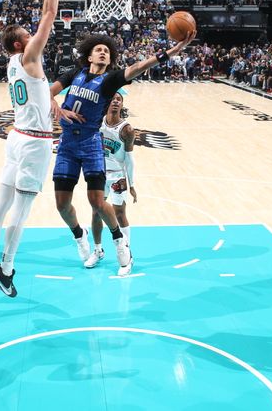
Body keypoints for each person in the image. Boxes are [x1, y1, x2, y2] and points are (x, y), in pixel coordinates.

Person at [49, 29, 196, 276]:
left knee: (96, 201)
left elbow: (141, 65)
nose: (103, 52)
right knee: (62, 205)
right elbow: (47, 92)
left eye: (107, 51)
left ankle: (120, 243)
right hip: (66, 146)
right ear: (89, 56)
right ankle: (79, 234)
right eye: (99, 50)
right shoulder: (75, 73)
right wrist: (56, 106)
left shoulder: (111, 79)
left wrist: (174, 51)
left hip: (90, 143)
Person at [0, 0, 58, 298]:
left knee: (1, 203)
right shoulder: (28, 56)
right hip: (35, 143)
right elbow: (50, 13)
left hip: (17, 136)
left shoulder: (14, 65)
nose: (34, 35)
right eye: (29, 34)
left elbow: (38, 92)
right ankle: (6, 271)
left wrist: (50, 97)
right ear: (19, 44)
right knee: (21, 210)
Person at [86, 92, 137, 270]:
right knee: (95, 212)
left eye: (119, 99)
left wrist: (132, 184)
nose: (115, 101)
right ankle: (98, 250)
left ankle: (126, 250)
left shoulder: (126, 129)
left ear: (122, 105)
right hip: (99, 173)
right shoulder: (98, 122)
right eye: (113, 98)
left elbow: (130, 159)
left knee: (119, 214)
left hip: (117, 176)